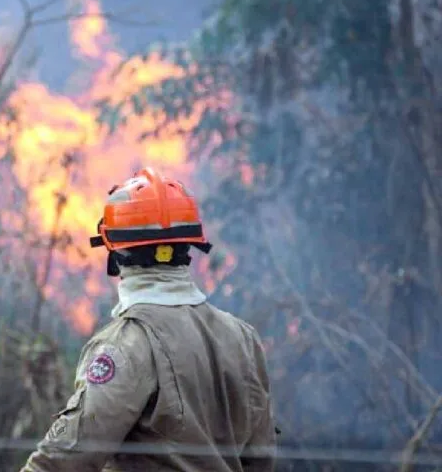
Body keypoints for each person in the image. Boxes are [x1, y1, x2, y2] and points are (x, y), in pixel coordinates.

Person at [20, 167, 277, 472]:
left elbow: (65, 459)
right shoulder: (242, 338)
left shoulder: (126, 345)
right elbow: (260, 459)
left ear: (116, 253)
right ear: (188, 247)